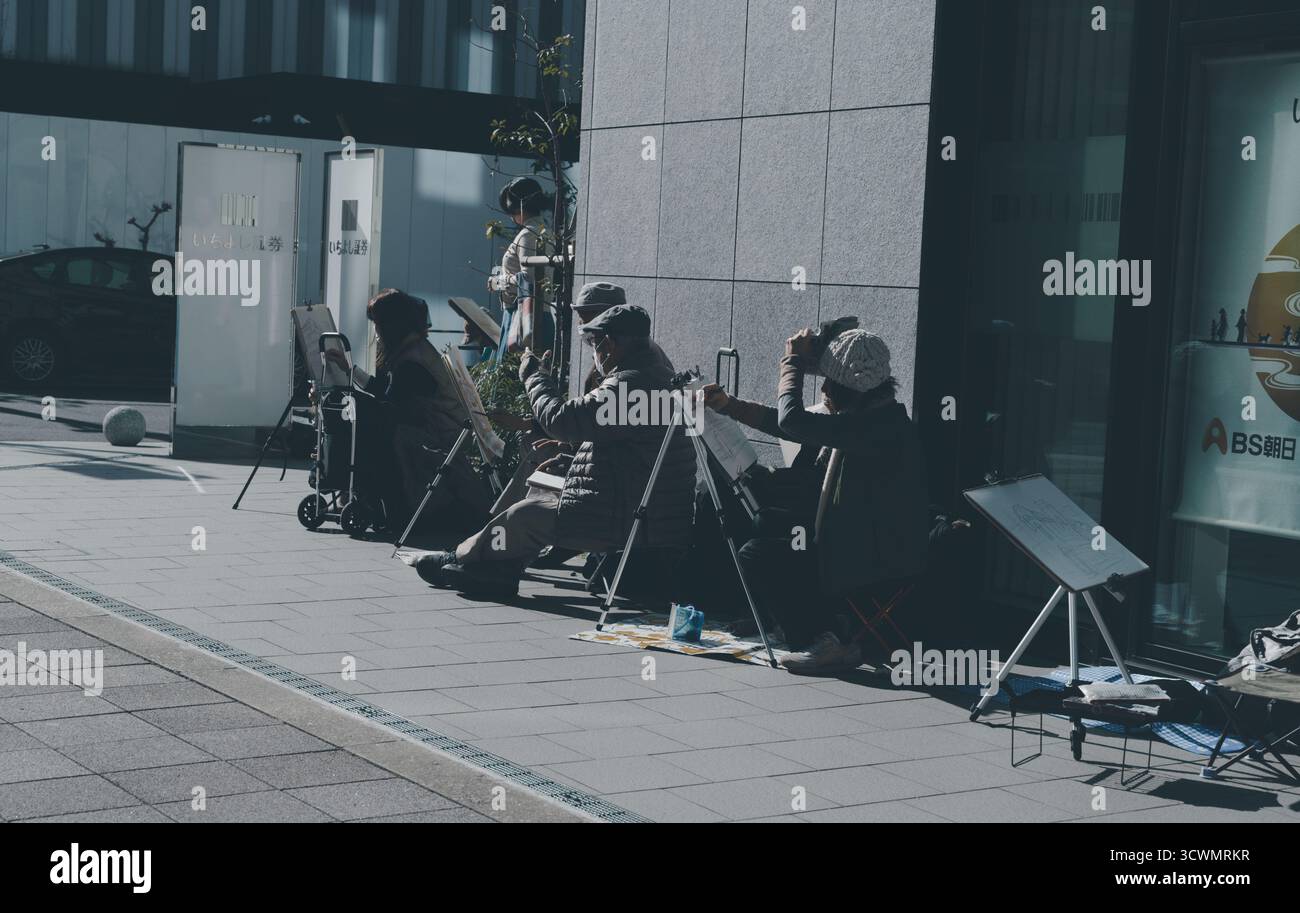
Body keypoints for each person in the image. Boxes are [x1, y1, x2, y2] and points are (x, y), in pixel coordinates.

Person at [413, 304, 695, 599]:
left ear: (609, 343)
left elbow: (562, 421)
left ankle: (461, 558)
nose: (594, 352)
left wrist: (534, 377)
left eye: (593, 343)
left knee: (527, 516)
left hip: (629, 517)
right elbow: (628, 446)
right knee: (541, 484)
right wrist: (571, 459)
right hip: (651, 510)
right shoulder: (661, 377)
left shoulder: (630, 384)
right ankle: (494, 568)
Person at [703, 324, 930, 675]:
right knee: (767, 521)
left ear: (850, 389)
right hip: (861, 539)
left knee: (758, 554)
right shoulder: (873, 415)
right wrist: (731, 406)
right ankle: (788, 617)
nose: (823, 389)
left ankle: (823, 639)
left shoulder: (876, 428)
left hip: (875, 560)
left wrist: (791, 361)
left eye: (829, 382)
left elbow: (793, 419)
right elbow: (796, 425)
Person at [327, 289, 492, 534]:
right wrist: (351, 372)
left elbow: (391, 400)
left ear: (392, 325)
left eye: (379, 324)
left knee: (371, 430)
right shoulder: (414, 348)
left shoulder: (414, 360)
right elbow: (390, 394)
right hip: (436, 425)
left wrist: (351, 379)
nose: (377, 333)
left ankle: (370, 497)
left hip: (440, 431)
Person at [490, 177, 554, 353]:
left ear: (518, 207)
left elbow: (529, 281)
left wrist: (498, 282)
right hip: (533, 314)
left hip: (523, 317)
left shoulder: (529, 234)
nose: (510, 216)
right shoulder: (542, 230)